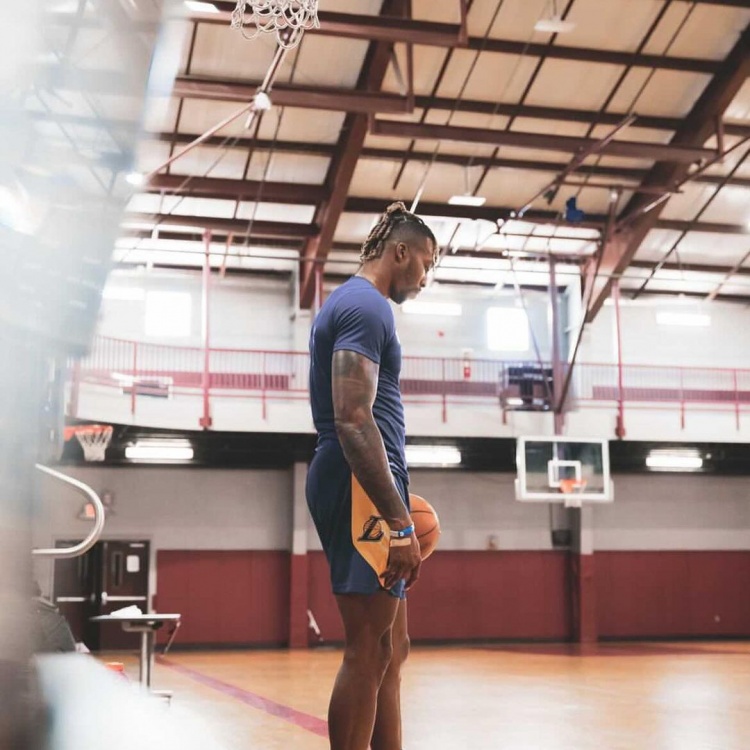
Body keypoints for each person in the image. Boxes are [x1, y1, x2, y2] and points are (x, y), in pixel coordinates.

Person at [307, 201, 438, 750]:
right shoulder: (365, 306)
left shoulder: (361, 304)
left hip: (366, 484)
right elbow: (353, 419)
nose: (426, 278)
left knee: (391, 648)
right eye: (426, 264)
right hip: (357, 485)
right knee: (366, 648)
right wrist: (400, 522)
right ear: (400, 252)